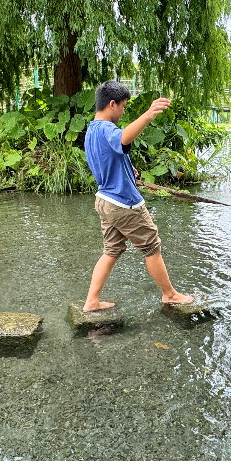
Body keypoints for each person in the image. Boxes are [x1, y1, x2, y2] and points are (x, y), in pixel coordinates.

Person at [81, 80, 199, 313]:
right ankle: (170, 294)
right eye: (123, 106)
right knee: (152, 246)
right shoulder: (107, 129)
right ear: (112, 104)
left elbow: (109, 159)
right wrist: (148, 115)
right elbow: (123, 138)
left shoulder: (91, 130)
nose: (124, 111)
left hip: (104, 199)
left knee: (112, 250)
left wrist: (128, 169)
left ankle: (92, 300)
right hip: (123, 202)